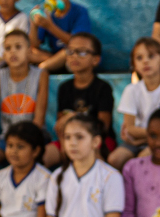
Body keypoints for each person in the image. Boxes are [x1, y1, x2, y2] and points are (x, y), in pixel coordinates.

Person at [109, 38, 160, 169]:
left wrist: (146, 137)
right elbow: (130, 129)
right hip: (137, 141)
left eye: (151, 56)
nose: (145, 61)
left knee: (142, 160)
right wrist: (150, 136)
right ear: (134, 65)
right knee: (114, 160)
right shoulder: (131, 90)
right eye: (139, 58)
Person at [45, 33, 114, 167]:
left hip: (98, 140)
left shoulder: (102, 87)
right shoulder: (64, 88)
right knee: (44, 156)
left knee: (91, 155)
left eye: (81, 52)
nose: (74, 56)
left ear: (95, 59)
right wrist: (64, 144)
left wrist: (76, 116)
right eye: (70, 51)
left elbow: (103, 126)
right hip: (70, 138)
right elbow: (61, 124)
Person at [0, 30, 49, 168]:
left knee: (30, 161)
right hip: (7, 137)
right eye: (8, 48)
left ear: (29, 51)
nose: (13, 52)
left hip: (34, 136)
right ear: (3, 55)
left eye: (18, 47)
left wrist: (27, 144)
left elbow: (39, 116)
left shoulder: (41, 75)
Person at [28, 0, 91, 72]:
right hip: (55, 57)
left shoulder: (80, 11)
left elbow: (78, 43)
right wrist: (33, 24)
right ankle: (50, 63)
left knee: (68, 51)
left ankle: (41, 69)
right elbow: (35, 45)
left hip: (75, 55)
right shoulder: (47, 14)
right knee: (28, 52)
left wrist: (50, 26)